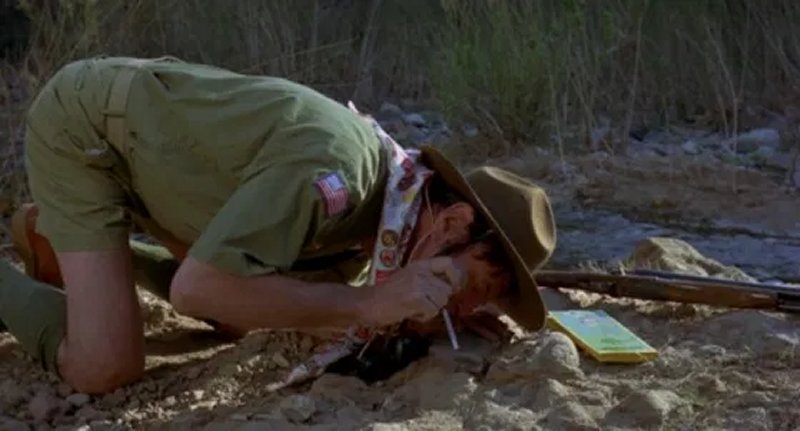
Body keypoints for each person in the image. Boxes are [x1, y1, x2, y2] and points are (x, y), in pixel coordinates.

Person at [0, 56, 557, 394]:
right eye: (473, 286)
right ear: (454, 221)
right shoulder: (337, 178)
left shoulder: (384, 220)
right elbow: (196, 291)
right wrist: (369, 303)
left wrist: (417, 319)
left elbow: (295, 304)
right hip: (91, 134)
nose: (465, 308)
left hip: (166, 172)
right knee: (104, 366)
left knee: (250, 308)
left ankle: (62, 239)